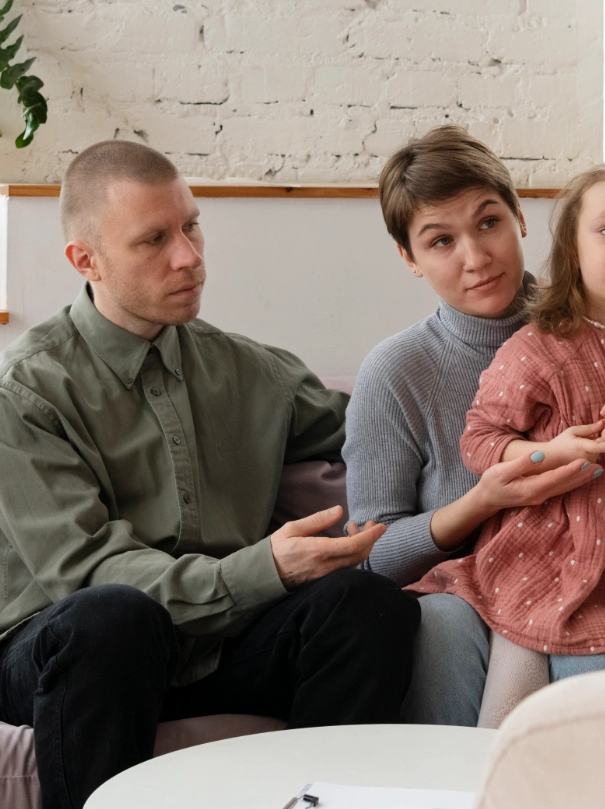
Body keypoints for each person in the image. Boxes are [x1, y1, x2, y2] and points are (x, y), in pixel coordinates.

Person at [0, 141, 419, 809]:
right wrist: (264, 570)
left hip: (215, 646)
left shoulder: (254, 373)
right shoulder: (24, 392)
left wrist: (509, 422)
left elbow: (386, 431)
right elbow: (86, 572)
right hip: (71, 651)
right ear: (86, 260)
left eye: (191, 226)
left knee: (366, 605)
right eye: (154, 240)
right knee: (114, 618)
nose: (189, 257)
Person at [344, 127, 605, 725]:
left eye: (489, 222)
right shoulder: (397, 372)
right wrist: (483, 501)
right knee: (438, 627)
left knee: (602, 659)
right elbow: (369, 561)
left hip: (599, 576)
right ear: (409, 258)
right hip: (464, 584)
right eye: (441, 240)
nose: (476, 257)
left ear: (521, 218)